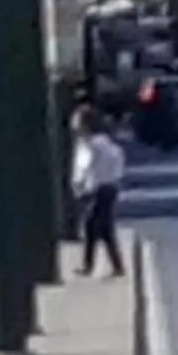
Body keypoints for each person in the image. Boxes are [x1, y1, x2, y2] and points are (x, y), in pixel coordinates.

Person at [69, 102, 127, 278]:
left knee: (92, 225)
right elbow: (117, 158)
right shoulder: (105, 142)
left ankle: (91, 266)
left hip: (98, 188)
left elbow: (84, 166)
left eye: (76, 122)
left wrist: (79, 184)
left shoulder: (89, 144)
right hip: (109, 187)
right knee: (102, 228)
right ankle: (113, 266)